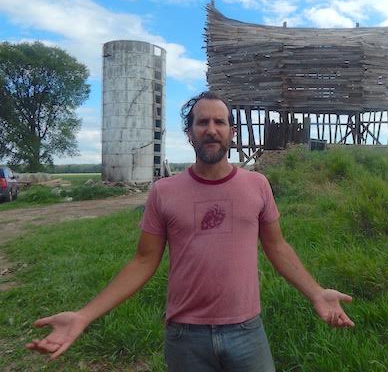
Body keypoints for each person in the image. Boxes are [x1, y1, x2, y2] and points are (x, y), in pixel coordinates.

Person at [26, 91, 354, 371]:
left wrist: (316, 292)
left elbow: (277, 247)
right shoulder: (164, 191)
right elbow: (143, 261)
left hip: (247, 331)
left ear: (232, 131)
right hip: (186, 337)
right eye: (202, 122)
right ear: (189, 133)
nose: (211, 130)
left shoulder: (257, 185)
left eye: (219, 122)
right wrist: (84, 316)